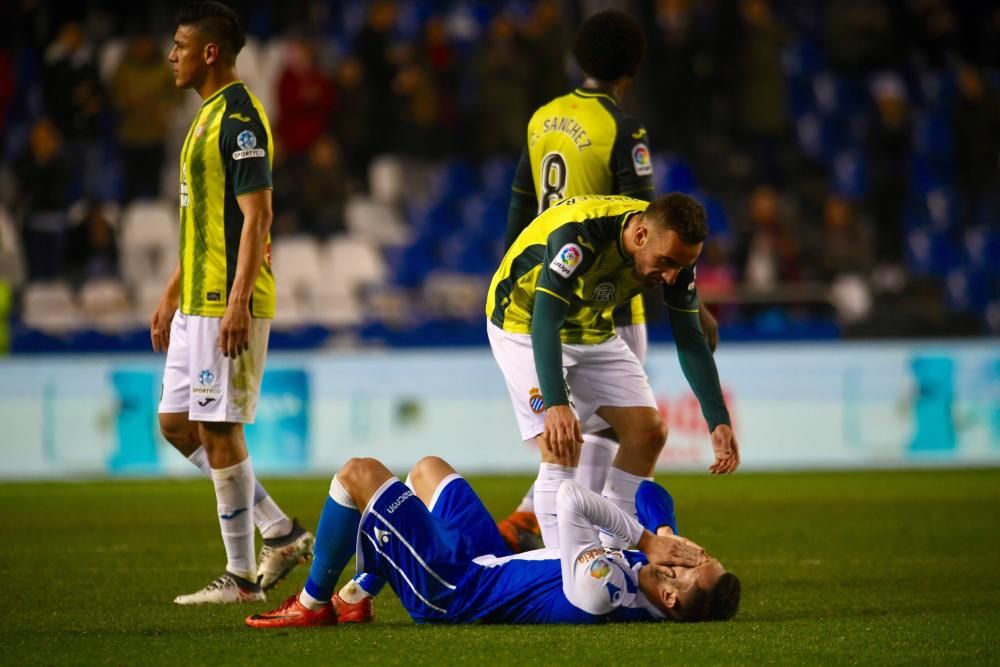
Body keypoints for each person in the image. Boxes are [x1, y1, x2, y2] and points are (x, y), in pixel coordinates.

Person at [497, 9, 719, 552]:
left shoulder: (541, 117)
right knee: (594, 429)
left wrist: (513, 263)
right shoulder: (623, 128)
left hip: (554, 272)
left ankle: (589, 534)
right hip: (607, 291)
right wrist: (685, 296)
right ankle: (559, 529)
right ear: (632, 72)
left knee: (616, 427)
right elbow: (648, 217)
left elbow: (521, 202)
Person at [150, 1, 311, 605]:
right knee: (175, 425)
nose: (172, 55)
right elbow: (202, 221)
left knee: (218, 427)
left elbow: (257, 215)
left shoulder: (240, 117)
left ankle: (242, 580)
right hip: (196, 299)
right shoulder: (204, 117)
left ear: (209, 51)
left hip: (225, 299)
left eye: (180, 44)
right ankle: (282, 530)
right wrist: (171, 294)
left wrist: (238, 300)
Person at [245, 455, 740, 627]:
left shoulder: (604, 590)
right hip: (490, 561)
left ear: (672, 596)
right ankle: (358, 595)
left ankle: (313, 604)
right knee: (427, 470)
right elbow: (651, 491)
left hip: (456, 588)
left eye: (695, 564)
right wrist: (666, 535)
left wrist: (643, 538)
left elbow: (569, 498)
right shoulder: (657, 575)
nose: (689, 556)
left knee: (359, 474)